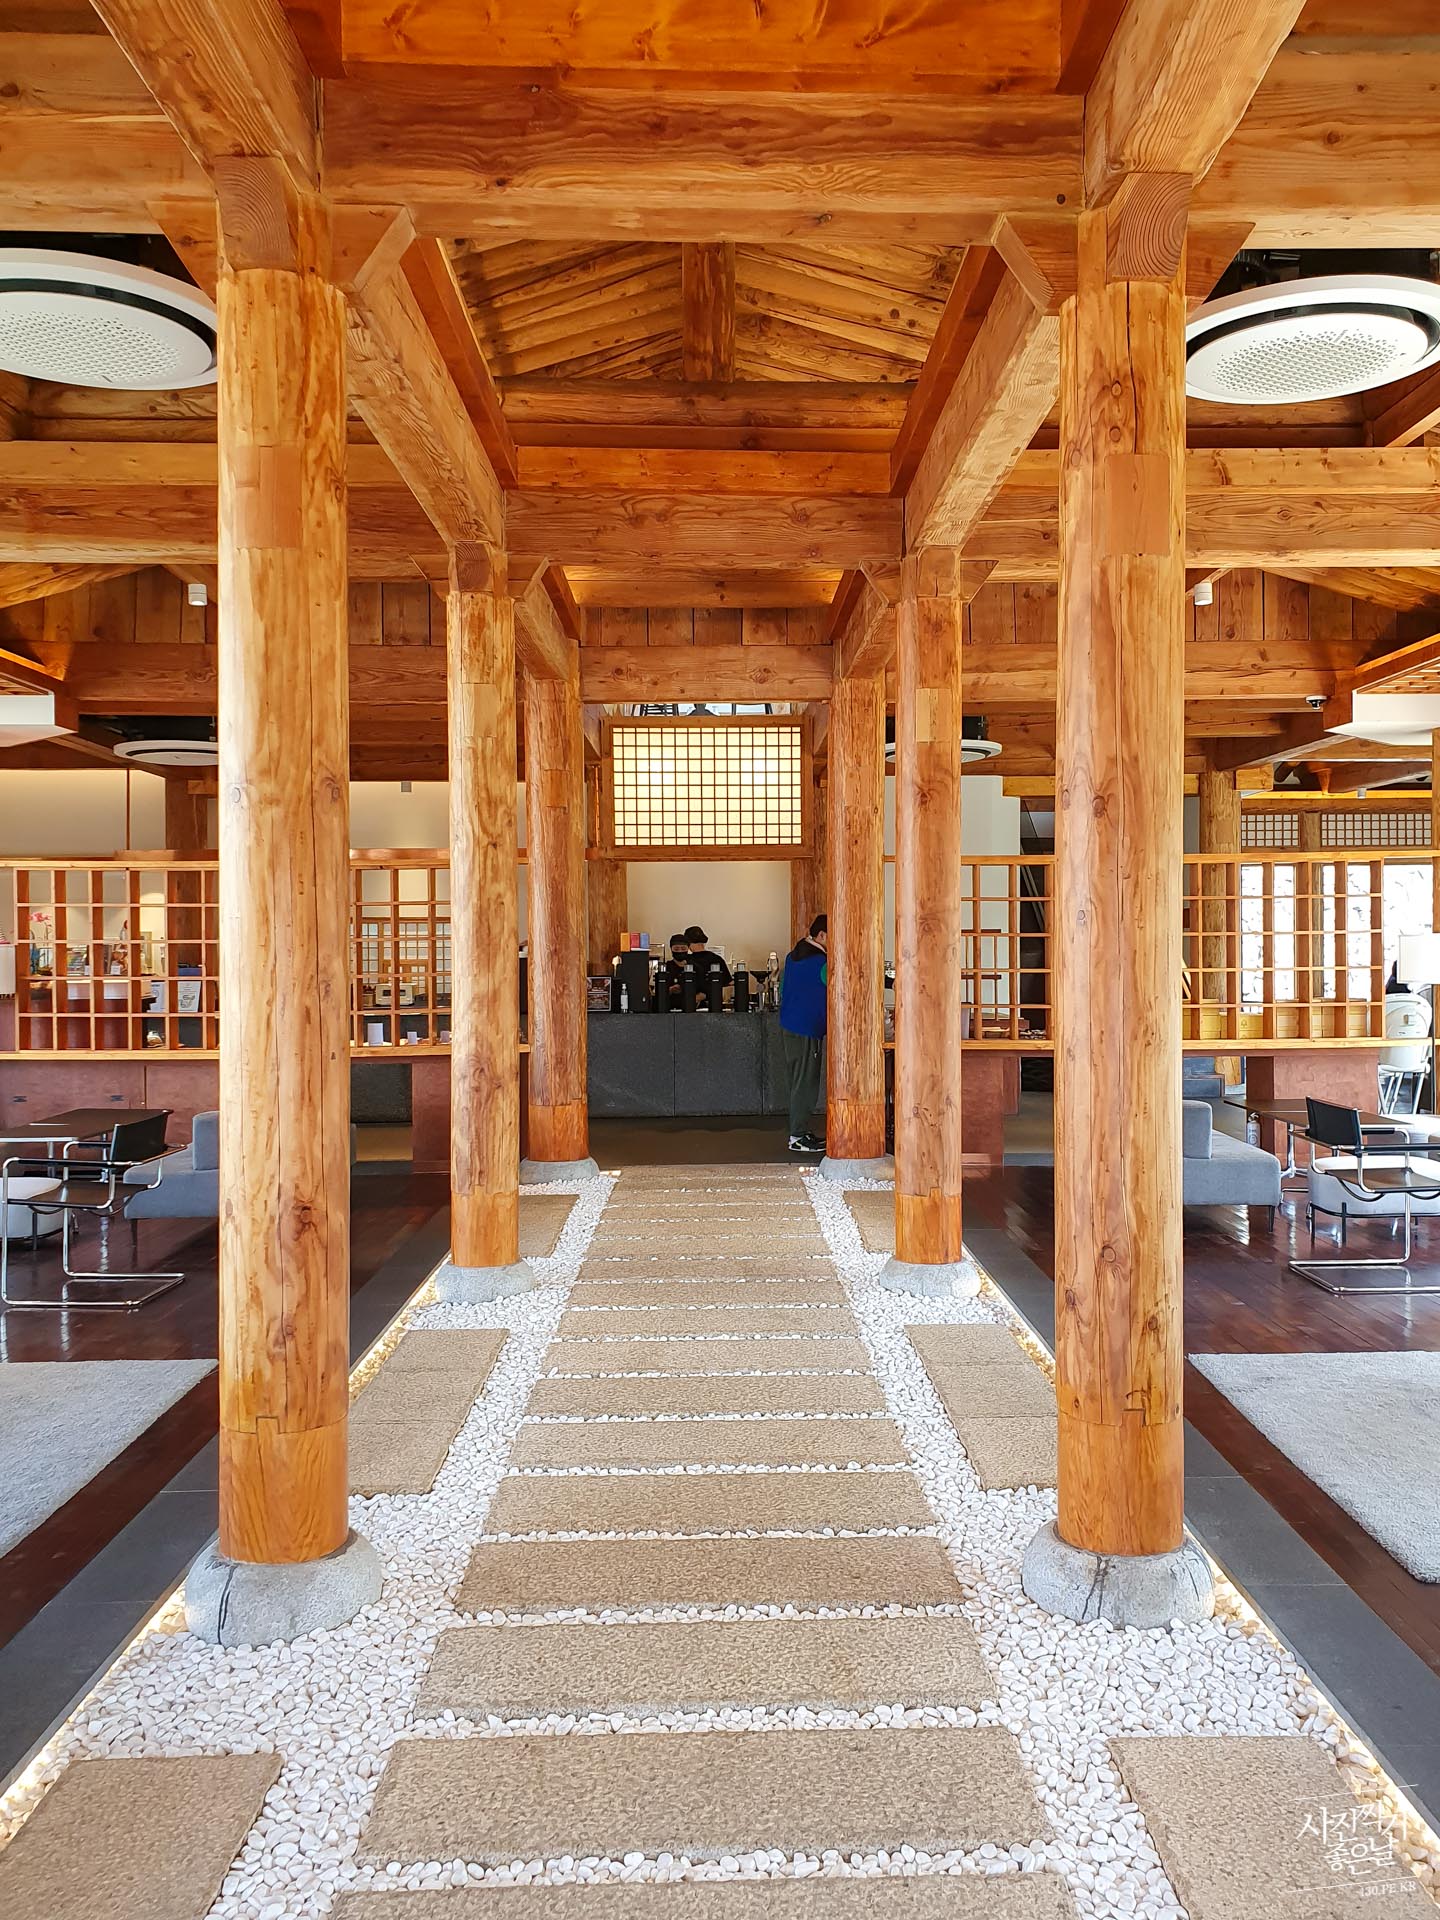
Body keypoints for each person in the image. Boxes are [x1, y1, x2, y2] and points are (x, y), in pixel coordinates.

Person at [779, 913, 827, 1152]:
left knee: (798, 1082)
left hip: (791, 1025)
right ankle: (797, 1137)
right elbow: (852, 980)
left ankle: (800, 1132)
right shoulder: (821, 963)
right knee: (805, 1084)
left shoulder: (792, 957)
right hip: (807, 1028)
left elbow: (782, 988)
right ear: (822, 935)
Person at [684, 925, 731, 1010]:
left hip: (689, 1005)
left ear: (688, 943)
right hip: (714, 1005)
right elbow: (728, 984)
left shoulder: (687, 960)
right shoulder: (716, 959)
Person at [662, 933, 690, 1008]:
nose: (680, 951)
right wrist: (670, 990)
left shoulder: (696, 968)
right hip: (669, 1009)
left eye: (683, 948)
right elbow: (655, 992)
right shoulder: (665, 968)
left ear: (688, 948)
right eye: (676, 949)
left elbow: (704, 991)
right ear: (671, 949)